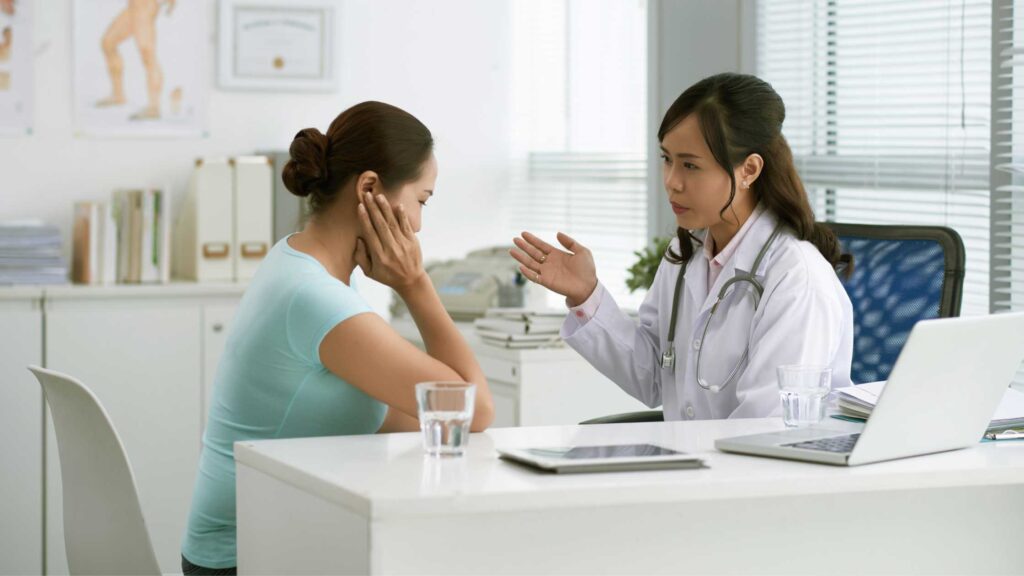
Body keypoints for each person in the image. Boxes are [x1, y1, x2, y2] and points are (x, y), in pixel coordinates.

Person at [181, 101, 494, 574]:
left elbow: (407, 412)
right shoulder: (313, 298)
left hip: (261, 543)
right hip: (242, 561)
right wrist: (416, 284)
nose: (419, 224)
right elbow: (475, 409)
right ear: (368, 188)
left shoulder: (300, 263)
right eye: (421, 200)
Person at [510, 72, 854, 421]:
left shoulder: (796, 277)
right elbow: (652, 379)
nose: (672, 182)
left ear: (748, 169)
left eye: (690, 165)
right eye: (666, 159)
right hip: (694, 462)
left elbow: (765, 426)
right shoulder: (688, 253)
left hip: (752, 469)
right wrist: (586, 295)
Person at [95, 0, 175, 120]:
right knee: (108, 43)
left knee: (147, 54)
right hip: (134, 7)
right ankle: (118, 95)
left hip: (145, 7)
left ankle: (154, 107)